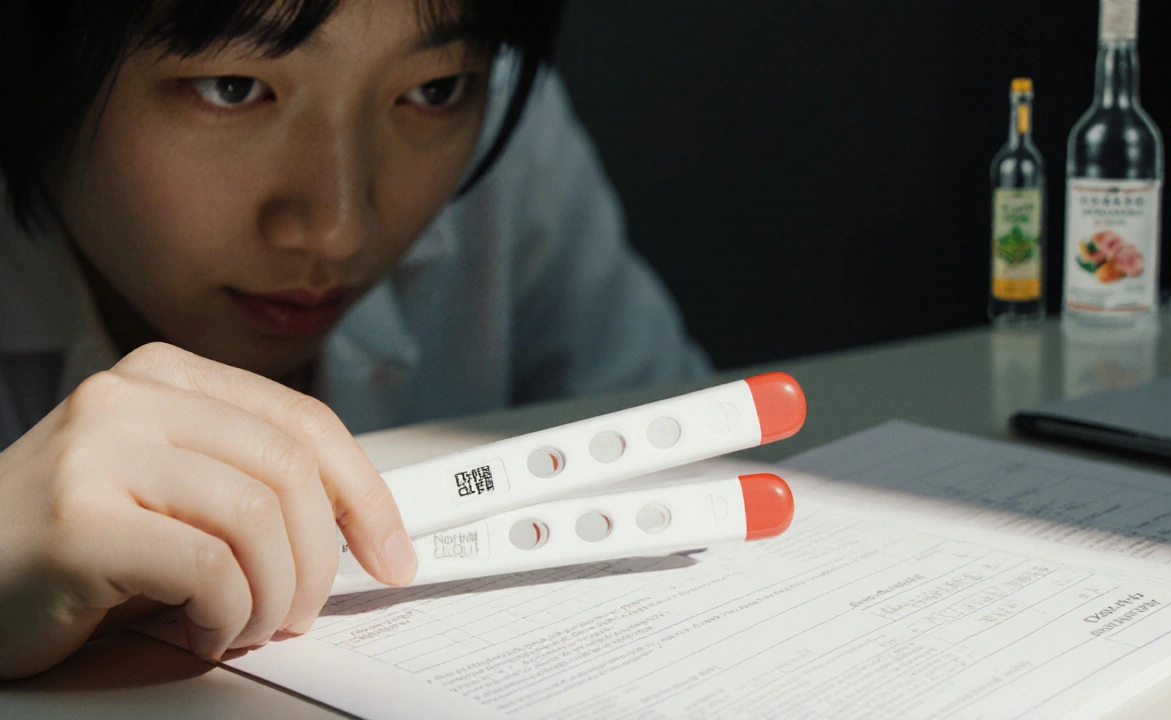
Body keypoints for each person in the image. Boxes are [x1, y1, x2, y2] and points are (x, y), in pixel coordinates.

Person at [0, 0, 710, 679]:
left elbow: (690, 461)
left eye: (434, 89)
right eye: (233, 87)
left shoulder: (506, 148)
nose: (340, 227)